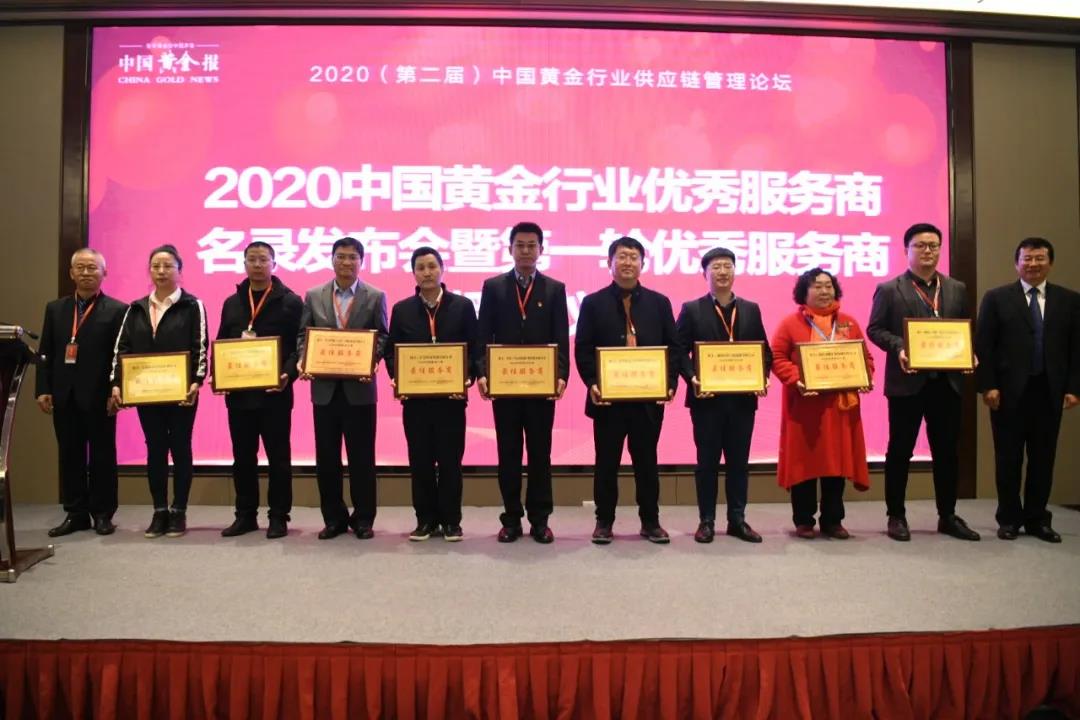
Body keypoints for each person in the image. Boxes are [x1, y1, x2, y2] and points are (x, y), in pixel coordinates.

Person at [866, 223, 980, 542]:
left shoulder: (956, 287)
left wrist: (969, 353)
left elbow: (965, 328)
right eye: (920, 245)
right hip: (907, 383)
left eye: (933, 245)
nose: (927, 251)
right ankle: (896, 516)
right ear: (907, 250)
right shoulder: (890, 289)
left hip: (947, 383)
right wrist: (900, 347)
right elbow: (875, 329)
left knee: (947, 452)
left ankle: (948, 515)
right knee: (900, 451)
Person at [575, 236, 679, 544]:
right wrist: (593, 383)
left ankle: (650, 521)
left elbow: (673, 347)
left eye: (634, 257)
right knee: (606, 463)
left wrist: (670, 384)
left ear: (642, 263)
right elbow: (583, 349)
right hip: (608, 401)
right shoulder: (593, 303)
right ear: (609, 263)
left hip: (647, 400)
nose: (628, 263)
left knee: (646, 462)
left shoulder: (659, 303)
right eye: (621, 257)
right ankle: (604, 521)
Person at [976, 237, 1080, 543]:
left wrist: (1074, 388)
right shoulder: (997, 298)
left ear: (1050, 263)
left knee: (1043, 459)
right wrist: (988, 385)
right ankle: (1009, 518)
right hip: (1007, 393)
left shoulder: (1070, 300)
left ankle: (1037, 519)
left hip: (1050, 391)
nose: (1033, 264)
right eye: (1027, 259)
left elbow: (1077, 349)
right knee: (1007, 459)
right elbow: (984, 346)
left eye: (1039, 258)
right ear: (1016, 263)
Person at [476, 221, 569, 544]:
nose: (526, 251)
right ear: (510, 249)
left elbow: (561, 337)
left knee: (541, 455)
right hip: (505, 388)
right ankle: (511, 519)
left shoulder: (554, 289)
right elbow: (483, 335)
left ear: (541, 250)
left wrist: (561, 375)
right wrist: (482, 372)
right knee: (509, 454)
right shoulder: (493, 287)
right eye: (520, 245)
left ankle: (540, 520)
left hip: (541, 388)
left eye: (532, 245)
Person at [109, 244, 209, 539]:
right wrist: (117, 382)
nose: (161, 271)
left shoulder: (193, 305)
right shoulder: (136, 308)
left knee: (180, 447)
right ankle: (159, 510)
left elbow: (200, 346)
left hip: (182, 393)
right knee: (154, 448)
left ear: (180, 270)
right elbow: (121, 348)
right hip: (147, 393)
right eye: (156, 266)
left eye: (168, 266)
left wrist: (197, 381)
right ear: (149, 271)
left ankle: (179, 511)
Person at [675, 247, 771, 544]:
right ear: (704, 273)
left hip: (742, 400)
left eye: (728, 266)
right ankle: (706, 521)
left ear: (735, 271)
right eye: (716, 267)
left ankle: (737, 520)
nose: (722, 272)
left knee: (739, 462)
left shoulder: (751, 309)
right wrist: (692, 377)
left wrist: (762, 376)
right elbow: (678, 351)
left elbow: (763, 350)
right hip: (707, 401)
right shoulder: (692, 309)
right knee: (707, 463)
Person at [770, 267, 874, 539]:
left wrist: (864, 376)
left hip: (840, 409)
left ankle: (832, 520)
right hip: (805, 408)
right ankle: (803, 520)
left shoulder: (849, 323)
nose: (824, 291)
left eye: (828, 286)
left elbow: (865, 358)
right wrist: (797, 379)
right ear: (803, 292)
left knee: (836, 465)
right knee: (804, 465)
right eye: (817, 286)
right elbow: (777, 358)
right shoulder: (790, 324)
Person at [296, 236, 388, 540]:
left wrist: (371, 360)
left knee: (362, 458)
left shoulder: (375, 296)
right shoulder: (314, 295)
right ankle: (333, 518)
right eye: (341, 256)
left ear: (362, 262)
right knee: (327, 459)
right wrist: (303, 359)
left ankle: (364, 519)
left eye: (352, 257)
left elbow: (383, 336)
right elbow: (303, 336)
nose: (346, 262)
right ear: (332, 259)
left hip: (360, 391)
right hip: (324, 391)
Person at [385, 247, 480, 542]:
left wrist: (467, 377)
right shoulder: (402, 309)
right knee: (420, 462)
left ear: (442, 269)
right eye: (420, 267)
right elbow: (391, 352)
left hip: (451, 401)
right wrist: (398, 377)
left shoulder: (462, 306)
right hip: (416, 402)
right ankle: (425, 520)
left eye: (431, 266)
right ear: (414, 273)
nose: (426, 272)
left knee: (451, 462)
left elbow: (474, 348)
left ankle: (451, 521)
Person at [214, 241, 303, 539]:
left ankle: (278, 516)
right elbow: (222, 342)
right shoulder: (232, 302)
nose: (257, 265)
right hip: (240, 396)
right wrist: (218, 375)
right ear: (244, 264)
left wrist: (288, 373)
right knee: (242, 458)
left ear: (274, 264)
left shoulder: (291, 302)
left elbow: (299, 345)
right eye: (251, 259)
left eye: (263, 259)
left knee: (279, 459)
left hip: (275, 394)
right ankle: (245, 515)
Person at [35, 248, 127, 537]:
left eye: (92, 268)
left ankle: (102, 514)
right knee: (69, 454)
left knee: (102, 456)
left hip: (100, 397)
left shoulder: (118, 310)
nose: (86, 273)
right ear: (71, 273)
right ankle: (75, 513)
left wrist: (117, 390)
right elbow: (46, 351)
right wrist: (43, 388)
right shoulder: (55, 309)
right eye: (81, 268)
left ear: (104, 273)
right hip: (64, 394)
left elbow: (120, 356)